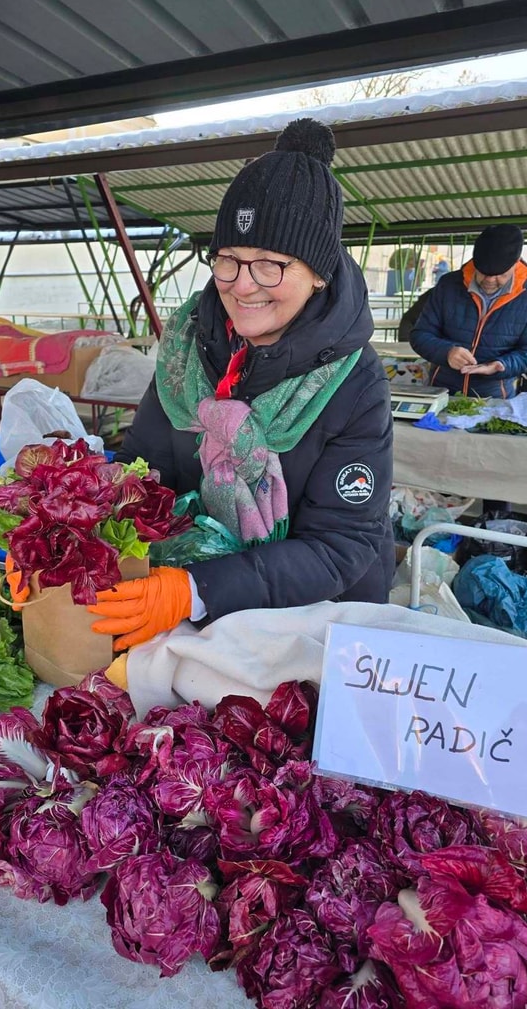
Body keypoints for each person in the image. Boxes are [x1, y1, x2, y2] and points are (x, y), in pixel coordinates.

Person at [87, 117, 395, 651]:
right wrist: (74, 541)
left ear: (319, 272)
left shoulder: (355, 383)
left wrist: (197, 589)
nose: (243, 285)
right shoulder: (187, 349)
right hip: (196, 607)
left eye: (271, 265)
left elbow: (340, 545)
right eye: (227, 260)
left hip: (316, 622)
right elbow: (143, 468)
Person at [409, 224, 527, 399]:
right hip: (442, 391)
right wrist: (446, 352)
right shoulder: (448, 285)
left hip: (496, 397)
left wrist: (501, 365)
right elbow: (420, 334)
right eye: (482, 271)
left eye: (499, 274)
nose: (489, 280)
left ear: (516, 262)